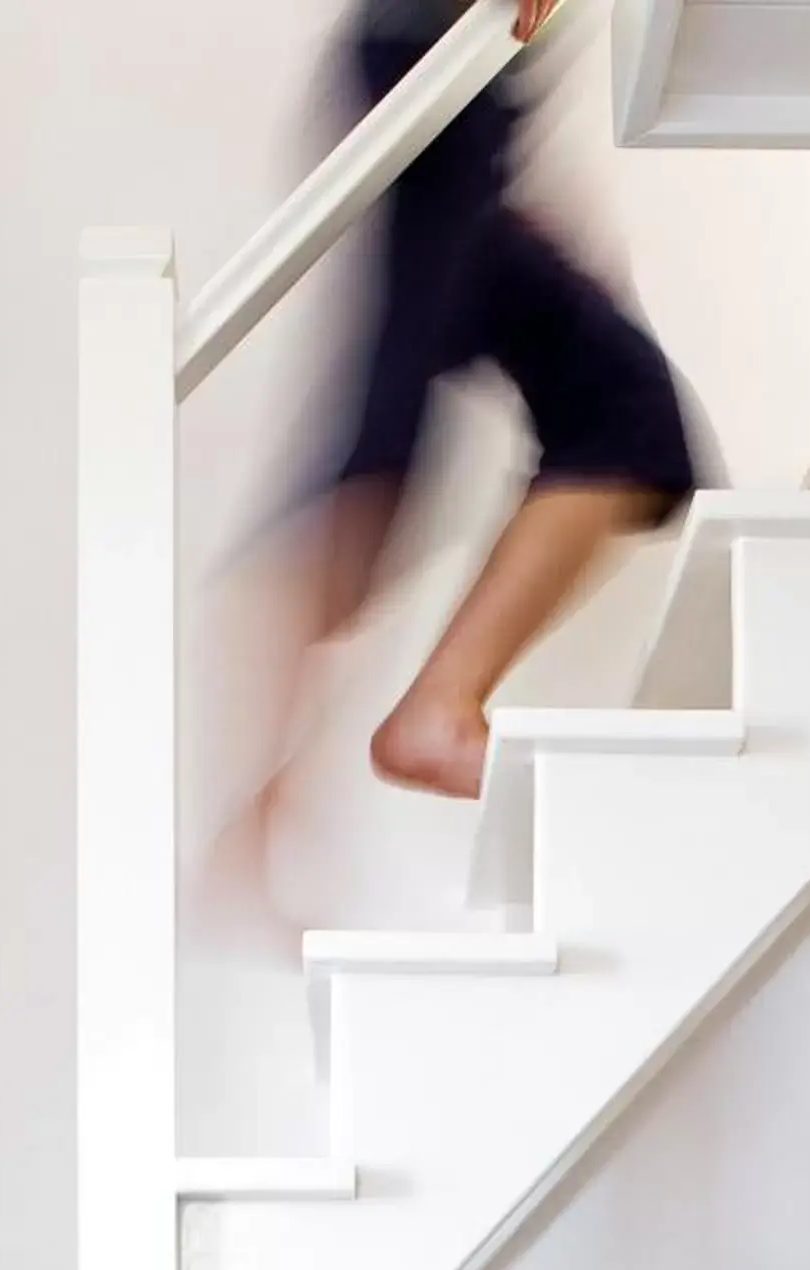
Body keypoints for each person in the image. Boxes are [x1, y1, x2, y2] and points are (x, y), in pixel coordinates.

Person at [230, 0, 700, 877]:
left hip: (472, 78)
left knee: (621, 410)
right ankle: (275, 794)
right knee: (395, 427)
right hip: (434, 57)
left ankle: (415, 718)